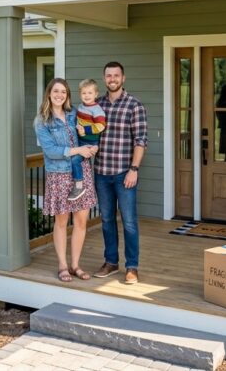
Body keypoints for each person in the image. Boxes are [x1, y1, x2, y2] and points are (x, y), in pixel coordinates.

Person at [32, 78, 98, 282]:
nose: (60, 95)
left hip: (81, 172)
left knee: (81, 221)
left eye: (63, 92)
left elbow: (87, 133)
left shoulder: (74, 114)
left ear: (67, 95)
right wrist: (78, 150)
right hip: (59, 175)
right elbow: (51, 151)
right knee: (61, 222)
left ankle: (75, 265)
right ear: (49, 94)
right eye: (56, 91)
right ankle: (62, 265)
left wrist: (92, 146)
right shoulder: (42, 121)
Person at [93, 61, 147, 285]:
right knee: (106, 220)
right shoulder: (96, 105)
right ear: (104, 78)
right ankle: (111, 262)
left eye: (116, 75)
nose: (112, 79)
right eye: (109, 75)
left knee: (129, 222)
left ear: (123, 78)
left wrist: (134, 169)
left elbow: (140, 141)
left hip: (125, 174)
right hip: (101, 173)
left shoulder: (134, 105)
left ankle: (132, 266)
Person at [70, 79, 107, 201]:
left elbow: (101, 126)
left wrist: (85, 130)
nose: (87, 96)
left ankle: (79, 186)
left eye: (90, 93)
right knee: (70, 157)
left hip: (90, 143)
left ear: (96, 94)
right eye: (84, 93)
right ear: (80, 94)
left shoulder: (97, 110)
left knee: (75, 160)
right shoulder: (81, 107)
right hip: (80, 141)